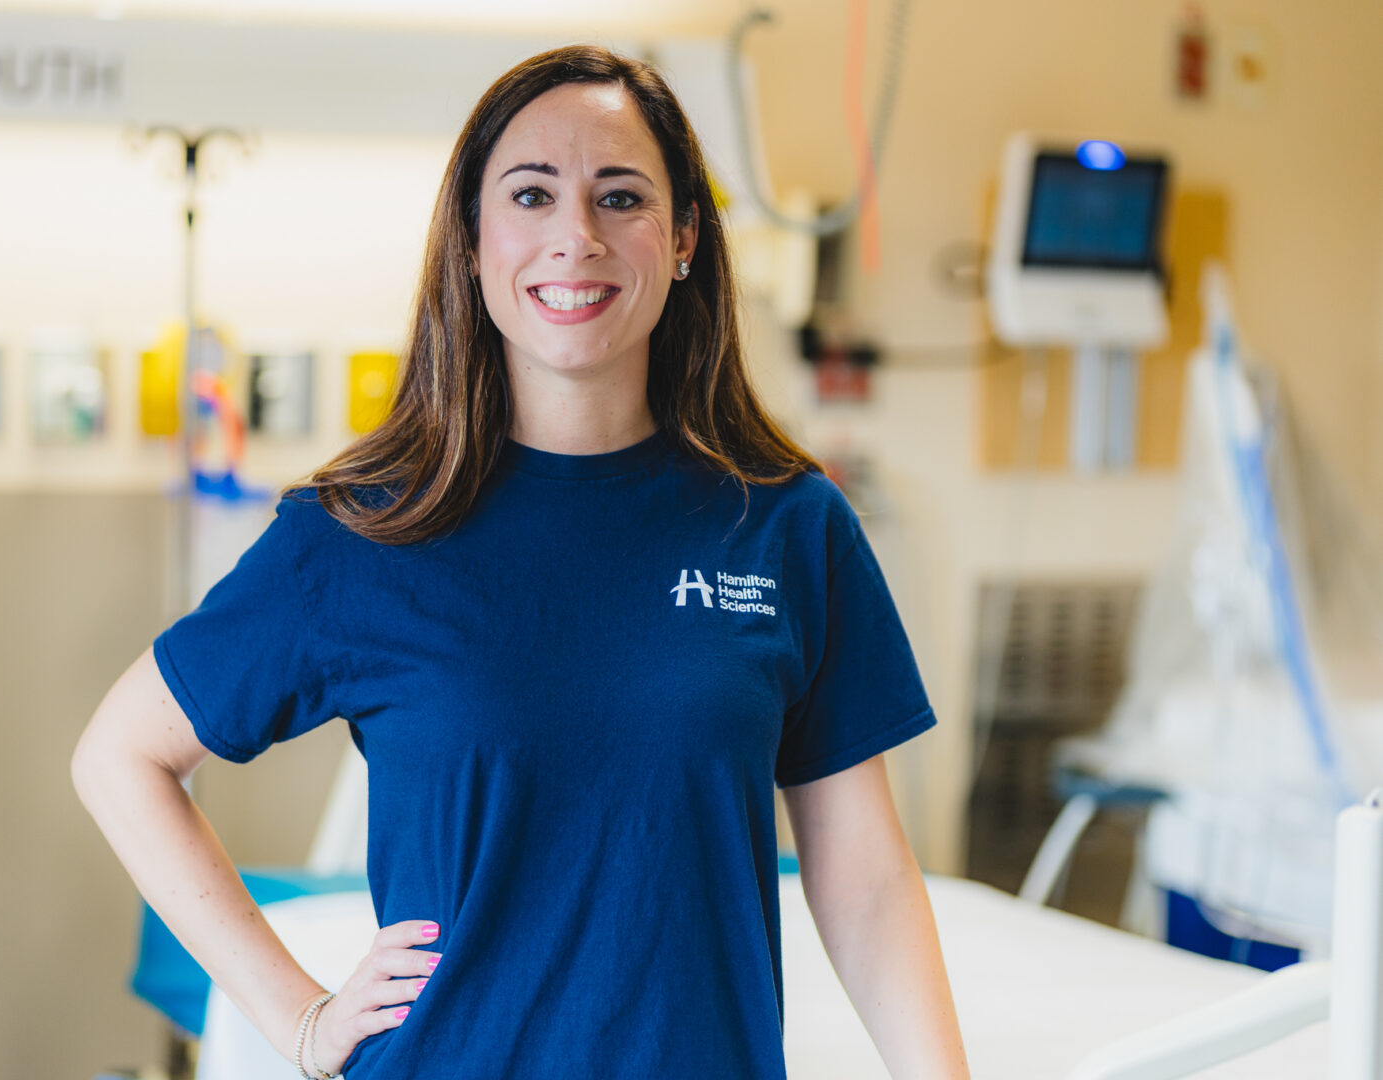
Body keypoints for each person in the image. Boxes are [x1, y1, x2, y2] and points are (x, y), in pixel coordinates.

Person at [72, 45, 970, 1080]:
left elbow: (863, 879)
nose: (574, 238)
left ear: (683, 238)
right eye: (531, 195)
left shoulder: (785, 526)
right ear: (471, 242)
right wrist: (302, 1020)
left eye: (620, 196)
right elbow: (120, 757)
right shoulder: (365, 532)